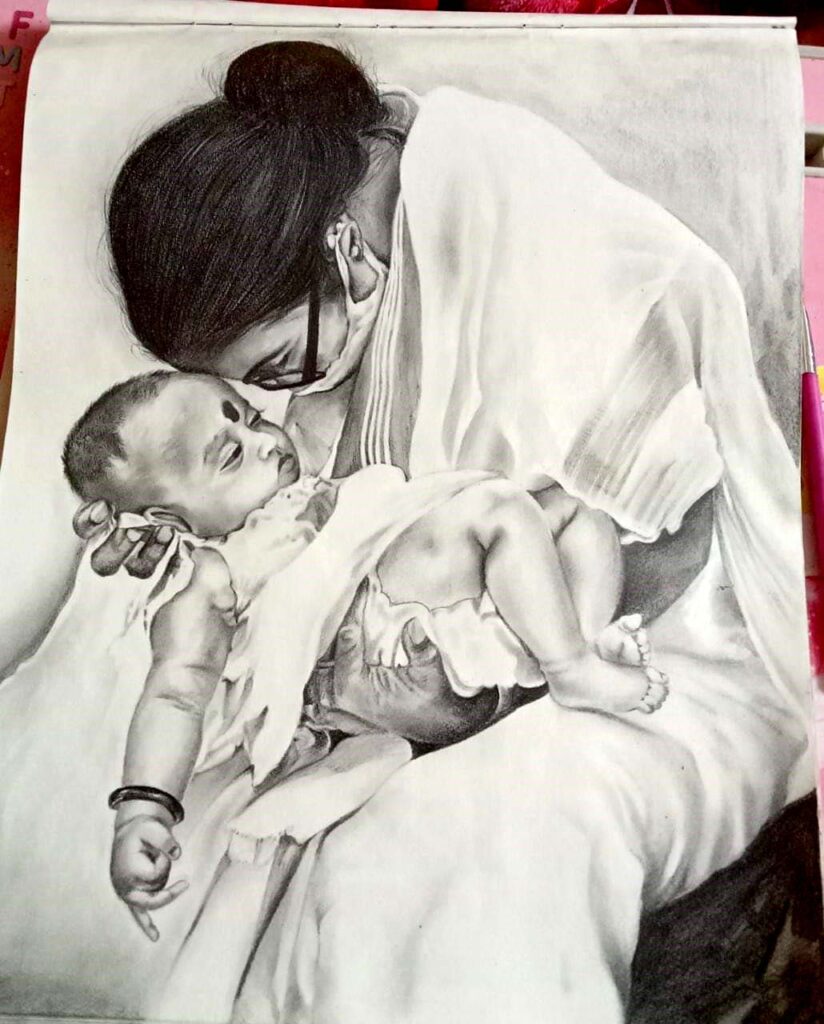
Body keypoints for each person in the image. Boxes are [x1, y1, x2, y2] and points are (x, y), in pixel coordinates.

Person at [61, 39, 807, 1023]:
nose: (273, 410)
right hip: (453, 683)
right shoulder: (338, 337)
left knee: (458, 838)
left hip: (658, 647)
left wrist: (493, 658)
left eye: (273, 371)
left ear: (337, 248)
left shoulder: (506, 202)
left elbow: (658, 526)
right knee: (297, 864)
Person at [63, 368, 668, 936]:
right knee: (501, 512)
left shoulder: (307, 488)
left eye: (250, 417)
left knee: (573, 511)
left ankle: (572, 642)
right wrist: (144, 807)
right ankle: (569, 667)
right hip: (379, 663)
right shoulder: (213, 577)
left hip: (430, 632)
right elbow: (176, 690)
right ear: (170, 518)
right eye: (231, 455)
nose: (266, 443)